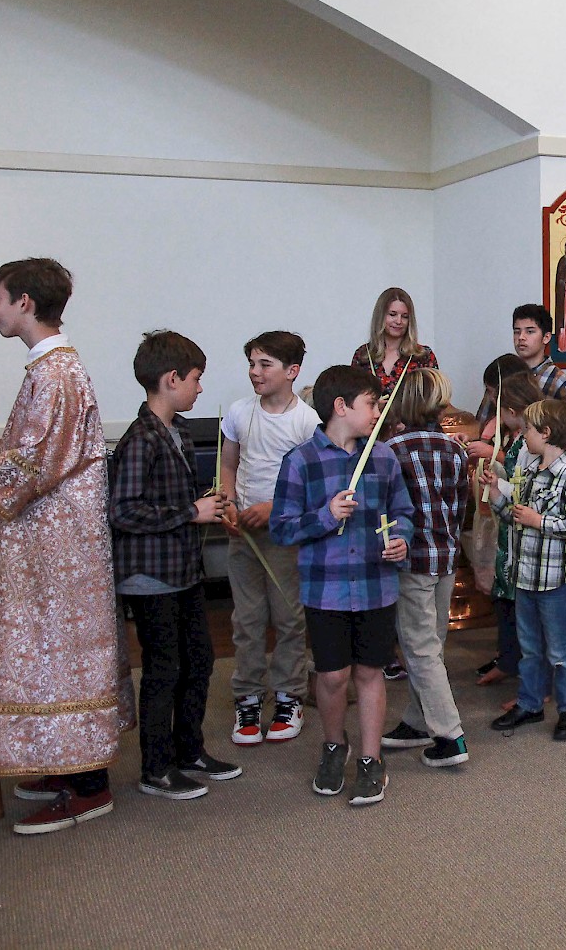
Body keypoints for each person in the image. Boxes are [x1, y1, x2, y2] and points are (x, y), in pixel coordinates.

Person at [0, 258, 134, 835]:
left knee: (60, 655)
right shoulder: (47, 369)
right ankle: (63, 765)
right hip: (44, 544)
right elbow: (33, 449)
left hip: (59, 549)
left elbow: (38, 465)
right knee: (45, 653)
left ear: (24, 303)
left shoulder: (58, 373)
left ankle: (88, 786)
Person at [270, 366, 415, 806]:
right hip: (325, 590)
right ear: (341, 407)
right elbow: (281, 529)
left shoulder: (384, 457)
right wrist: (326, 516)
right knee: (332, 676)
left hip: (375, 586)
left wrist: (401, 539)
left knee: (370, 672)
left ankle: (371, 759)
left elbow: (403, 512)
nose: (378, 413)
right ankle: (335, 745)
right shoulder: (300, 461)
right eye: (371, 404)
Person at [108, 330, 240, 800]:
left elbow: (172, 500)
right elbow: (123, 512)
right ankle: (156, 768)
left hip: (183, 572)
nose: (200, 388)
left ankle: (189, 751)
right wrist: (190, 512)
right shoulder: (140, 439)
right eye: (196, 379)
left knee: (199, 660)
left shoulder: (179, 431)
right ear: (171, 379)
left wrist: (207, 501)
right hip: (150, 578)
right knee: (164, 669)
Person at [219, 330, 318, 746]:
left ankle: (289, 695)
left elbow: (314, 484)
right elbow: (228, 466)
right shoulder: (239, 413)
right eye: (252, 363)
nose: (255, 372)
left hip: (286, 533)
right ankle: (247, 696)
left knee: (289, 618)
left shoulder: (306, 421)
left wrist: (275, 508)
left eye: (265, 364)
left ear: (292, 371)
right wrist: (227, 502)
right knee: (247, 619)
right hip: (243, 532)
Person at [379, 368, 473, 767]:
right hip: (445, 558)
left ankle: (450, 736)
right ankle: (418, 721)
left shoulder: (390, 450)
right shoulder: (455, 449)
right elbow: (462, 507)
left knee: (419, 649)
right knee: (431, 645)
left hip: (412, 561)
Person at [484, 399, 566, 741]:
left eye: (528, 429)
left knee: (561, 649)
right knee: (529, 646)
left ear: (546, 433)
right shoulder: (530, 472)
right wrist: (495, 494)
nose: (524, 434)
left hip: (555, 581)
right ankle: (530, 704)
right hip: (526, 577)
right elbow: (516, 517)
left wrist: (539, 521)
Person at [473, 369, 545, 687]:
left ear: (513, 411)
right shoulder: (516, 439)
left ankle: (533, 680)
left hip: (524, 533)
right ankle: (507, 660)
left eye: (501, 410)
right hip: (509, 532)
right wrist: (496, 478)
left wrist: (499, 483)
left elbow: (526, 487)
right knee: (503, 598)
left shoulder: (533, 444)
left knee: (524, 611)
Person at [473, 304, 566, 433]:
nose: (521, 337)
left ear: (546, 337)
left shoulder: (559, 381)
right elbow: (482, 420)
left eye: (530, 331)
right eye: (517, 331)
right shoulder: (503, 370)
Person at [353, 287, 438, 397]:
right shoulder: (363, 355)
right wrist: (373, 404)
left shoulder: (423, 356)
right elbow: (352, 399)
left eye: (405, 317)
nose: (399, 321)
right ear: (380, 316)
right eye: (392, 314)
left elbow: (436, 398)